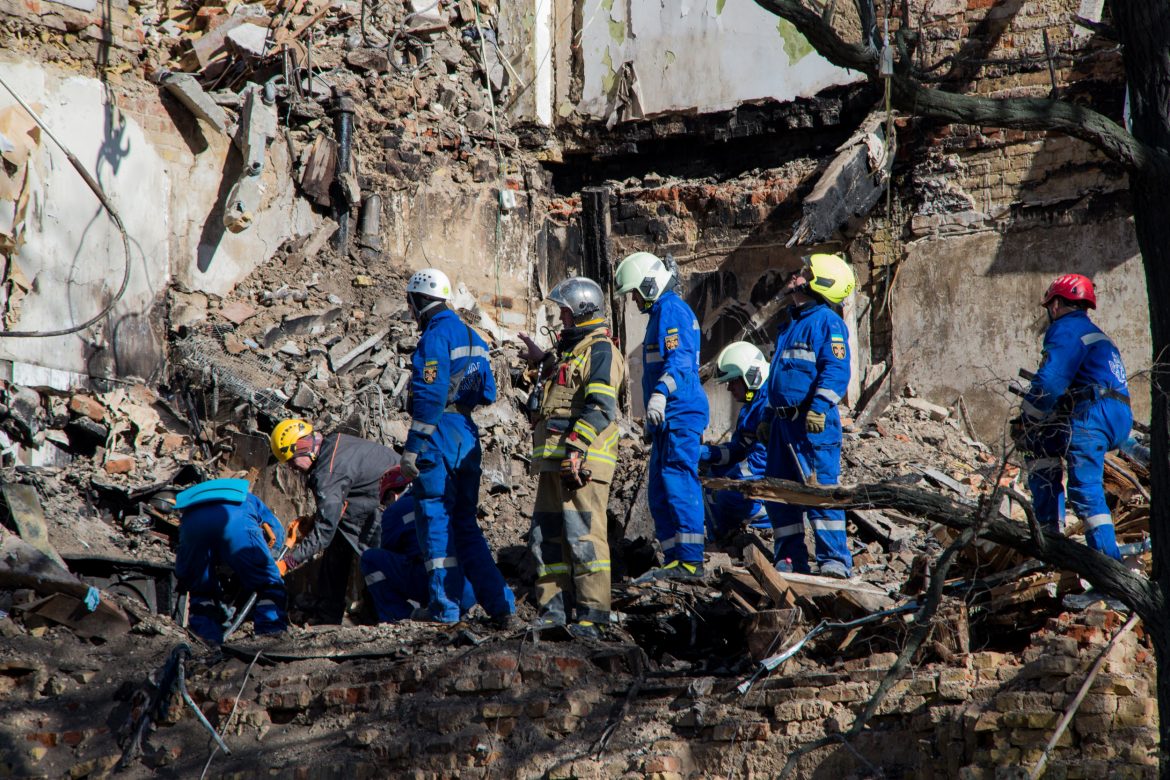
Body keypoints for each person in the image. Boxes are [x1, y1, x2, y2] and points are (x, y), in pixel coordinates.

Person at [402, 268, 518, 627]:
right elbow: (488, 392)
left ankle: (444, 609)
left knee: (435, 518)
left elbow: (429, 393)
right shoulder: (473, 336)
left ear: (419, 301)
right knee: (466, 524)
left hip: (438, 434)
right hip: (467, 433)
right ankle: (502, 607)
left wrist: (413, 445)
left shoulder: (435, 336)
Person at [520, 276, 626, 639]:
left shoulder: (601, 351)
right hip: (555, 460)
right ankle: (553, 612)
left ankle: (593, 617)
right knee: (545, 535)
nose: (560, 319)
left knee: (584, 538)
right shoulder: (574, 350)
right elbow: (567, 385)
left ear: (582, 312)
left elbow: (600, 407)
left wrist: (577, 449)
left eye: (564, 313)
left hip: (581, 462)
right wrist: (544, 359)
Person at [1014, 273, 1131, 561]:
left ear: (1054, 305)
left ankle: (1109, 569)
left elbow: (1051, 382)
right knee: (1041, 445)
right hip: (1114, 415)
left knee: (1085, 489)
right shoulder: (1095, 333)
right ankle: (1048, 540)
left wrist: (1026, 419)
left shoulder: (1066, 328)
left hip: (1092, 416)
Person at [759, 253, 855, 579]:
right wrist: (767, 416)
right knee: (779, 492)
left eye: (804, 273)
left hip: (811, 425)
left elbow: (837, 372)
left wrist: (819, 407)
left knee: (820, 491)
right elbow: (780, 378)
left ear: (818, 284)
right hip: (783, 426)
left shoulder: (827, 323)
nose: (796, 276)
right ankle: (789, 558)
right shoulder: (791, 323)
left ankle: (834, 561)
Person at [614, 251, 709, 581]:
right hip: (668, 417)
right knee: (659, 490)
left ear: (649, 284)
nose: (634, 299)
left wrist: (660, 395)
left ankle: (690, 560)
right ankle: (674, 559)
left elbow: (680, 362)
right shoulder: (659, 313)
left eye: (635, 292)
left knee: (679, 481)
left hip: (680, 411)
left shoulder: (671, 310)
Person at [269, 417, 398, 624]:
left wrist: (288, 562)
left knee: (376, 560)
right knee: (338, 545)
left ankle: (382, 617)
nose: (293, 468)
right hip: (379, 497)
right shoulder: (334, 444)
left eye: (292, 460)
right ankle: (328, 615)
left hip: (391, 507)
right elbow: (342, 497)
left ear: (303, 447)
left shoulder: (327, 474)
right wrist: (316, 518)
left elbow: (324, 533)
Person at [173, 478, 287, 644]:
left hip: (192, 524)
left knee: (201, 591)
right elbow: (276, 532)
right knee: (269, 584)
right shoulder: (250, 500)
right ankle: (269, 635)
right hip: (236, 522)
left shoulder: (196, 504)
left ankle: (205, 641)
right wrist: (270, 560)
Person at [360, 467, 476, 623]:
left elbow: (392, 553)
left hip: (433, 584)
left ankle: (399, 615)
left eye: (385, 502)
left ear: (392, 495)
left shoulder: (394, 511)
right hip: (468, 590)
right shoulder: (446, 498)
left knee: (371, 559)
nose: (385, 507)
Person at [700, 341, 771, 540]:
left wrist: (732, 478)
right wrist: (708, 454)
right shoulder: (751, 404)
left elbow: (763, 457)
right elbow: (739, 449)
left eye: (733, 382)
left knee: (727, 494)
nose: (730, 388)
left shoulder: (767, 404)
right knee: (712, 482)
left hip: (774, 474)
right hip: (757, 471)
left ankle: (774, 520)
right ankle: (722, 539)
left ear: (751, 376)